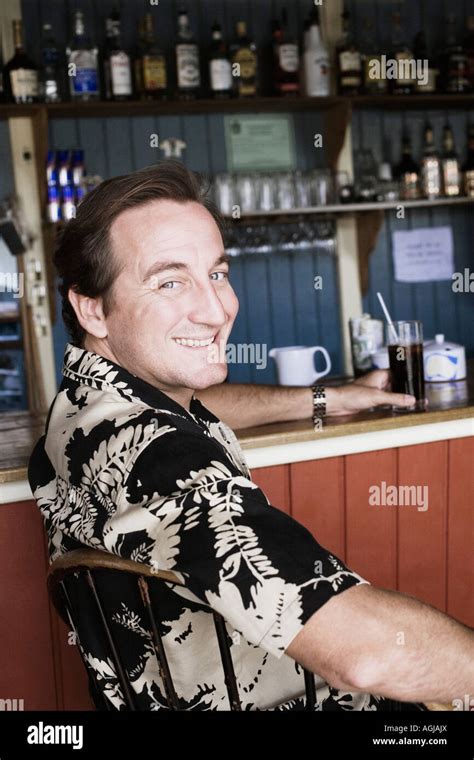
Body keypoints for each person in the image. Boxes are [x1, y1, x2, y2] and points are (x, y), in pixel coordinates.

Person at [28, 161, 474, 711]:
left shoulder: (87, 408)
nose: (217, 310)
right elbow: (365, 656)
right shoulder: (169, 461)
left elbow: (196, 404)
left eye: (217, 273)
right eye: (170, 281)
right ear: (91, 307)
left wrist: (327, 398)